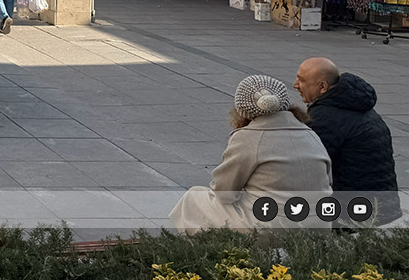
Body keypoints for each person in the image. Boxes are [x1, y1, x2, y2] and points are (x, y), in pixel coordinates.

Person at [170, 74, 332, 232]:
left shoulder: (249, 137)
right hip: (319, 225)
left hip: (273, 226)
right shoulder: (310, 134)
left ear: (242, 109)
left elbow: (224, 192)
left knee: (194, 198)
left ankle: (204, 253)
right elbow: (327, 181)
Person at [295, 57, 402, 224]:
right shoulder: (356, 104)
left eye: (301, 80)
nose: (295, 85)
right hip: (385, 205)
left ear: (323, 87)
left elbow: (307, 164)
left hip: (354, 212)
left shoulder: (327, 116)